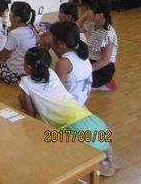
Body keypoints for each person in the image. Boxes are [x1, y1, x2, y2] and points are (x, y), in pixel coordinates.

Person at [18, 47, 119, 177]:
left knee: (59, 148)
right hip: (94, 122)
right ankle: (105, 152)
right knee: (95, 140)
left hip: (74, 130)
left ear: (29, 68)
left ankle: (97, 160)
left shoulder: (25, 81)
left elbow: (30, 114)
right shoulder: (52, 73)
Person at [0, 1, 36, 85]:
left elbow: (5, 52)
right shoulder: (30, 30)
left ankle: (17, 80)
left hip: (16, 71)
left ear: (17, 18)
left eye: (11, 13)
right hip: (28, 70)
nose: (9, 15)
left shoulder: (15, 33)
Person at [77, 0, 118, 91]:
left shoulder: (107, 34)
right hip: (92, 61)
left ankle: (105, 84)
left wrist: (86, 70)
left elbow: (105, 61)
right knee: (73, 74)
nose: (87, 11)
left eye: (90, 9)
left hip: (104, 69)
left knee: (77, 83)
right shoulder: (94, 25)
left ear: (100, 15)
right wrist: (85, 16)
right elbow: (74, 30)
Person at [49, 21, 93, 106]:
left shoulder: (63, 63)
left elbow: (56, 91)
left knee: (27, 93)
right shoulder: (82, 55)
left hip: (69, 107)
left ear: (60, 44)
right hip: (80, 103)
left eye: (52, 37)